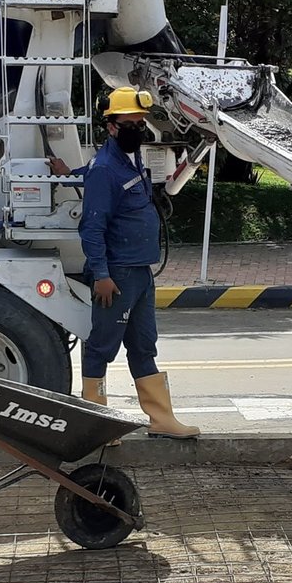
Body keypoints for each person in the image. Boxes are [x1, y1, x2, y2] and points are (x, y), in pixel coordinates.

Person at [78, 87, 198, 438]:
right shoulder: (105, 169)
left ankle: (161, 420)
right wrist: (101, 274)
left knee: (144, 345)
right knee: (101, 346)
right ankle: (93, 425)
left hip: (141, 272)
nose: (137, 130)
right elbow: (92, 226)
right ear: (111, 127)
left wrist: (66, 169)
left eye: (140, 123)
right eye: (129, 124)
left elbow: (83, 173)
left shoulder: (131, 158)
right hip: (117, 274)